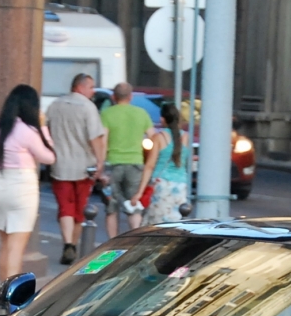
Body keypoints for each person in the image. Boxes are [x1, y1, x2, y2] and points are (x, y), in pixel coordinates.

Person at [0, 84, 56, 281]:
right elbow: (49, 157)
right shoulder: (28, 132)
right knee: (16, 247)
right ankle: (11, 302)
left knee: (6, 245)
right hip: (22, 187)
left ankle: (3, 294)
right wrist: (43, 127)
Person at [46, 73, 106, 264]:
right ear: (80, 87)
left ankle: (68, 244)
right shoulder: (89, 108)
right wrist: (100, 162)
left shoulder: (55, 105)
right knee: (80, 207)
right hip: (84, 166)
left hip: (60, 164)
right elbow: (95, 137)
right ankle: (75, 243)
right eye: (91, 87)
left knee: (65, 207)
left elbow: (45, 129)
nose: (93, 91)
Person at [98, 82, 156, 237]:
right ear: (131, 97)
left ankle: (112, 244)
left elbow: (103, 142)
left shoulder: (106, 114)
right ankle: (134, 242)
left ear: (113, 97)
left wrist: (100, 167)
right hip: (135, 164)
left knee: (112, 208)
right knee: (134, 206)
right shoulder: (141, 114)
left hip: (113, 164)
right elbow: (153, 137)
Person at [135, 102, 191, 226]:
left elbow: (149, 166)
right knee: (176, 224)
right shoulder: (186, 137)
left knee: (156, 224)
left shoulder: (159, 137)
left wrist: (140, 192)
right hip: (181, 186)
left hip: (162, 186)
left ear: (162, 119)